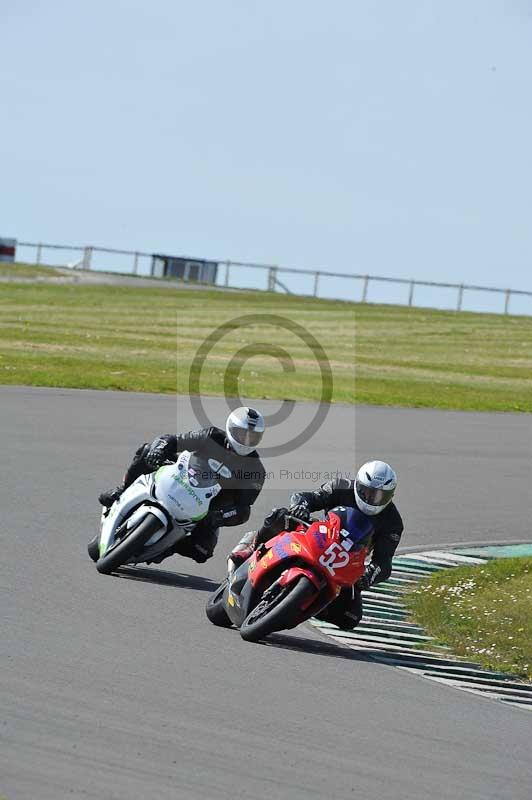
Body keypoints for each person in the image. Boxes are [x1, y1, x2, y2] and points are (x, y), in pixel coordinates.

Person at [229, 460, 403, 630]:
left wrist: (370, 576)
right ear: (358, 485)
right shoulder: (340, 486)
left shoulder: (393, 522)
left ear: (391, 495)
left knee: (350, 617)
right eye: (367, 492)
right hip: (320, 537)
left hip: (346, 561)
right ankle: (252, 548)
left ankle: (300, 605)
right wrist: (301, 506)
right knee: (279, 516)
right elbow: (307, 497)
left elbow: (384, 562)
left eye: (381, 495)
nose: (372, 499)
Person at [98, 407, 266, 563]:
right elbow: (172, 440)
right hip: (181, 476)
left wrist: (218, 517)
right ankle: (123, 489)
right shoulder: (211, 435)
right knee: (147, 450)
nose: (246, 440)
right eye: (242, 433)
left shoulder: (256, 469)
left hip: (205, 508)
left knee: (202, 551)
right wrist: (159, 449)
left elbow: (243, 509)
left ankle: (166, 546)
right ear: (231, 429)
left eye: (253, 437)